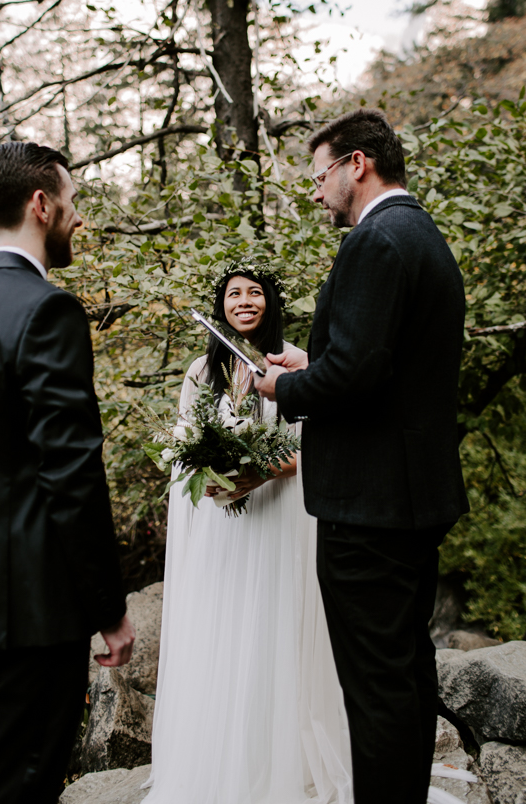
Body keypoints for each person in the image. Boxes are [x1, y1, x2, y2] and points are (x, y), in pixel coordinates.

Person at [256, 108, 469, 804]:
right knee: (406, 672)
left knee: (374, 685)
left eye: (319, 176)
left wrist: (283, 384)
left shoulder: (374, 242)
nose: (315, 193)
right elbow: (379, 367)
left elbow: (352, 380)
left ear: (358, 164)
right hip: (410, 496)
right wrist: (316, 360)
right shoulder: (423, 236)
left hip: (368, 507)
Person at [0, 142, 135, 804]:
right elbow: (71, 475)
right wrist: (110, 608)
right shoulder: (46, 311)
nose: (77, 220)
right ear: (41, 204)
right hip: (32, 613)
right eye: (70, 203)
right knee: (25, 785)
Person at [143, 264, 354, 804]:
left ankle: (280, 759)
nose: (244, 301)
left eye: (254, 292)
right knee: (226, 627)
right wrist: (216, 472)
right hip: (225, 523)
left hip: (281, 513)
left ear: (270, 303)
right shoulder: (200, 371)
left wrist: (266, 467)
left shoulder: (293, 363)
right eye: (233, 294)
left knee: (275, 624)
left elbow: (316, 444)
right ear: (221, 307)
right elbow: (186, 447)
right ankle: (221, 758)